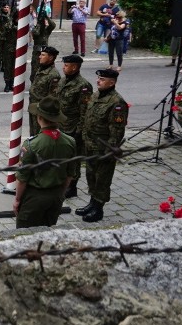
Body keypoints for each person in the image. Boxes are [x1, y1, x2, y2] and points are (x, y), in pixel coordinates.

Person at [13, 97, 77, 228]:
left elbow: (22, 178)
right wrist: (60, 194)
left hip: (35, 197)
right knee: (48, 231)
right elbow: (70, 174)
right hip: (56, 195)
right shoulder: (70, 142)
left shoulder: (31, 144)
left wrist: (17, 199)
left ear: (39, 118)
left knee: (25, 235)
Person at [76, 69, 128, 223]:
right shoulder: (96, 95)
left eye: (102, 79)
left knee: (102, 179)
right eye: (98, 78)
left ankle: (98, 208)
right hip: (90, 144)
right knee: (91, 175)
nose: (98, 81)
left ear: (112, 82)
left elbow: (117, 131)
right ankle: (92, 202)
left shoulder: (117, 103)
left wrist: (110, 150)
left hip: (103, 148)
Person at [55, 54, 92, 198]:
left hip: (73, 128)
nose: (63, 67)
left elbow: (85, 111)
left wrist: (80, 131)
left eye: (66, 65)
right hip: (60, 125)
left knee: (73, 159)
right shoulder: (63, 81)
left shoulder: (83, 86)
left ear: (75, 67)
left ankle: (72, 186)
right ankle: (62, 181)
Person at [28, 46, 61, 136]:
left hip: (42, 112)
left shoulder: (53, 75)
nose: (39, 57)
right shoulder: (42, 69)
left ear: (50, 58)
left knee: (40, 135)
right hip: (34, 108)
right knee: (33, 134)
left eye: (43, 55)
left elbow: (52, 97)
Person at [30, 11, 56, 82]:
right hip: (37, 53)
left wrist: (46, 17)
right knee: (35, 70)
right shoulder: (35, 29)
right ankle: (34, 83)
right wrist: (39, 23)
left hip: (45, 53)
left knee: (44, 70)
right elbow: (36, 33)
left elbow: (53, 25)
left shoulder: (46, 31)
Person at [0, 7, 17, 92]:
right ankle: (7, 84)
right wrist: (11, 24)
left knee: (14, 68)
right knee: (8, 67)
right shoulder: (9, 24)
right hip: (8, 49)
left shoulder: (20, 26)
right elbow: (5, 30)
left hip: (17, 49)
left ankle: (12, 83)